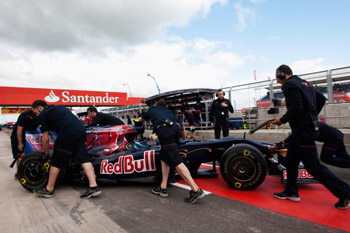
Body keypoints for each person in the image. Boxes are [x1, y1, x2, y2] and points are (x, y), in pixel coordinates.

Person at [270, 64, 350, 210]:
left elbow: (296, 107)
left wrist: (282, 120)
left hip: (303, 131)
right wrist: (312, 115)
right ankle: (291, 192)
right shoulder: (305, 84)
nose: (276, 81)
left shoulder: (289, 85)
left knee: (313, 166)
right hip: (302, 130)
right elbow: (321, 99)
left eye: (276, 77)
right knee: (291, 161)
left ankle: (345, 192)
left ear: (282, 74)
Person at [138, 99, 205, 203]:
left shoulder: (152, 109)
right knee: (164, 158)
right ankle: (163, 187)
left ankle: (196, 190)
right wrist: (183, 139)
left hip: (165, 131)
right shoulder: (169, 111)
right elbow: (181, 128)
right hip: (176, 130)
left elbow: (140, 120)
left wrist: (136, 122)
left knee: (176, 160)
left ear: (156, 104)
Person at [31, 100, 101, 198]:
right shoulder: (59, 107)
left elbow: (45, 138)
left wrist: (46, 154)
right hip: (81, 131)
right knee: (83, 158)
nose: (36, 115)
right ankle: (94, 187)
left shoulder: (43, 115)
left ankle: (48, 189)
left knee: (56, 161)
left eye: (35, 112)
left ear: (40, 108)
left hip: (67, 133)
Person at [281, 122, 350, 168]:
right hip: (337, 135)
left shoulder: (307, 124)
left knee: (325, 158)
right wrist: (283, 142)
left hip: (333, 138)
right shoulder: (306, 122)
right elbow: (295, 135)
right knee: (343, 156)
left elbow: (295, 135)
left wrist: (284, 143)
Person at [10, 109, 39, 177]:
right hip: (18, 137)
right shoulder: (25, 115)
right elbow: (19, 129)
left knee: (33, 154)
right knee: (19, 155)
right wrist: (20, 143)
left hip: (31, 136)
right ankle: (19, 173)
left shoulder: (40, 116)